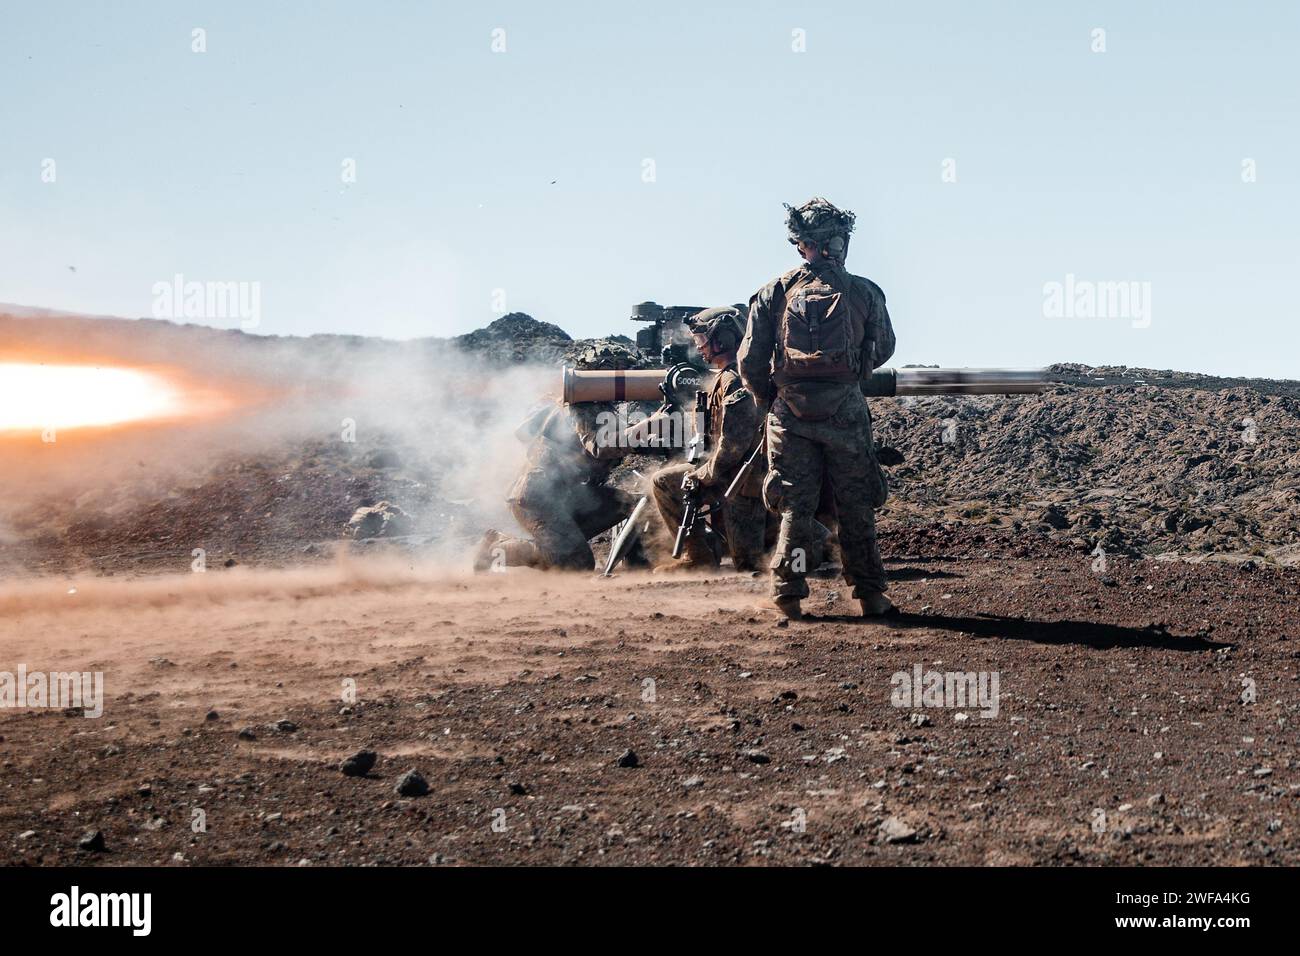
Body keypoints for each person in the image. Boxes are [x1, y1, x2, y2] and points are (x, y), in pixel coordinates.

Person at [737, 197, 896, 619]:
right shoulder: (864, 291)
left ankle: (787, 594)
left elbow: (750, 360)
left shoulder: (774, 292)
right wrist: (851, 375)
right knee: (856, 504)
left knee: (794, 505)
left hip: (790, 416)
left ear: (800, 244)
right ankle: (871, 595)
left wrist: (771, 401)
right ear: (842, 242)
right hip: (846, 411)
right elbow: (883, 348)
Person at [476, 343, 664, 572]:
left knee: (635, 505)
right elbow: (600, 446)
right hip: (539, 498)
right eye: (619, 371)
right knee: (575, 563)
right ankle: (497, 549)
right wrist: (646, 426)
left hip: (571, 496)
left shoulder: (600, 409)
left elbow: (618, 443)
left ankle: (638, 564)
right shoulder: (580, 407)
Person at [650, 306, 769, 571]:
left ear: (723, 340)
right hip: (728, 472)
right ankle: (699, 558)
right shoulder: (722, 378)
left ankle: (825, 545)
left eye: (702, 340)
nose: (699, 347)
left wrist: (704, 473)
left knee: (750, 566)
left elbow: (733, 444)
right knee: (664, 482)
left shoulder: (736, 380)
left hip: (745, 478)